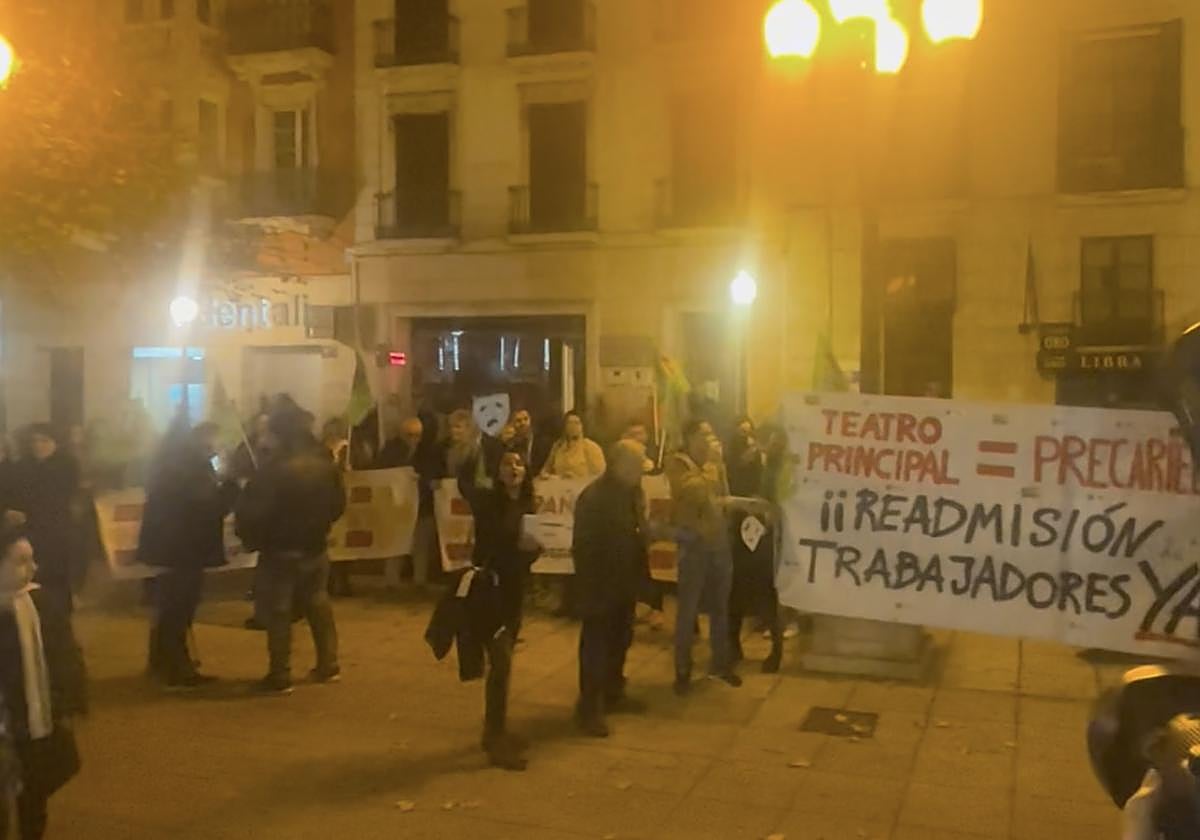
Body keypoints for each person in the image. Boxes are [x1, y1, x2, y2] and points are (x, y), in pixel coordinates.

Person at [235, 406, 346, 695]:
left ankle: (280, 673)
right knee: (318, 603)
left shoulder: (274, 469)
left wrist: (250, 535)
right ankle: (328, 663)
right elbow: (338, 505)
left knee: (279, 610)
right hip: (315, 546)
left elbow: (256, 512)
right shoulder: (325, 462)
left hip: (280, 549)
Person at [665, 420, 763, 694]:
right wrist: (712, 469)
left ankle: (720, 664)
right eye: (703, 434)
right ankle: (682, 670)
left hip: (719, 544)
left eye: (711, 433)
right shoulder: (678, 464)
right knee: (688, 610)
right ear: (690, 437)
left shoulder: (714, 464)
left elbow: (723, 496)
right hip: (694, 546)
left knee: (721, 607)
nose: (710, 439)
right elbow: (694, 493)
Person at [0, 527, 87, 839]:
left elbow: (65, 657)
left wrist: (65, 704)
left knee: (33, 796)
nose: (33, 568)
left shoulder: (39, 604)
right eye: (21, 561)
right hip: (5, 728)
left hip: (33, 724)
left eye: (32, 559)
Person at [138, 421, 238, 689]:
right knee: (180, 609)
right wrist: (230, 487)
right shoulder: (192, 470)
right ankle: (177, 667)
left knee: (168, 606)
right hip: (186, 549)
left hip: (170, 548)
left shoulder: (166, 466)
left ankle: (161, 661)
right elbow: (209, 507)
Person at [459, 451, 538, 769]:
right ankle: (494, 737)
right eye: (507, 463)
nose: (514, 467)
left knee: (504, 664)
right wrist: (477, 446)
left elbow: (526, 551)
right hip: (490, 590)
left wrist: (534, 551)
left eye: (519, 463)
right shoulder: (489, 502)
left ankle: (497, 729)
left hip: (514, 592)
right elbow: (465, 482)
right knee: (501, 660)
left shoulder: (528, 503)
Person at [572, 440, 651, 737]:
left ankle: (614, 692)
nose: (641, 472)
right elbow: (584, 546)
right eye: (636, 465)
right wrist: (593, 587)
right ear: (620, 465)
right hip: (599, 586)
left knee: (621, 640)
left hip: (624, 582)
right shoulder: (594, 498)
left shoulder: (631, 492)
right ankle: (589, 708)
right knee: (595, 647)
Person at [725, 418, 783, 673]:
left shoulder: (776, 466)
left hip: (764, 532)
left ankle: (776, 650)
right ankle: (733, 646)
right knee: (735, 591)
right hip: (741, 529)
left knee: (765, 593)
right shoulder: (731, 460)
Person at [7, 427, 82, 615]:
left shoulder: (67, 465)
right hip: (31, 529)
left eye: (44, 441)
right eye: (35, 441)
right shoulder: (22, 467)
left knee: (58, 576)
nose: (38, 446)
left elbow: (68, 495)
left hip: (58, 529)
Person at [541, 411, 605, 480]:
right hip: (559, 487)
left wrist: (577, 478)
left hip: (582, 488)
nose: (573, 426)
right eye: (569, 423)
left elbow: (600, 476)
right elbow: (544, 472)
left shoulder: (591, 447)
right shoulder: (558, 446)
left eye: (576, 423)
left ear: (582, 426)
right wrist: (558, 477)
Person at [510, 409, 551, 476]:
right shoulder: (510, 445)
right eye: (518, 420)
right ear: (513, 424)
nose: (523, 423)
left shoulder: (543, 442)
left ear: (530, 420)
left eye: (526, 419)